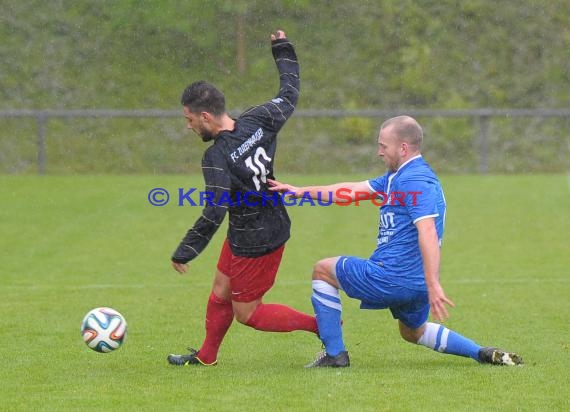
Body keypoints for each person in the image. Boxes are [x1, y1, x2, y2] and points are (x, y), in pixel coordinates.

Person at [269, 115, 523, 367]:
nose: (379, 152)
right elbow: (353, 191)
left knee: (322, 270)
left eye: (383, 146)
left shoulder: (414, 180)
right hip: (416, 284)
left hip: (392, 276)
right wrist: (302, 192)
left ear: (403, 147)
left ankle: (335, 355)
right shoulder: (398, 177)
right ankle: (481, 353)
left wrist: (435, 283)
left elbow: (428, 232)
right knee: (413, 332)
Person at [167, 30, 318, 367]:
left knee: (248, 313)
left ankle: (322, 327)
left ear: (205, 116)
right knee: (221, 289)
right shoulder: (258, 120)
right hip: (249, 228)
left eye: (189, 120)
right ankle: (206, 356)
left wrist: (186, 249)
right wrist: (282, 50)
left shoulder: (216, 157)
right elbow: (289, 93)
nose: (189, 127)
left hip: (259, 238)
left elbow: (214, 210)